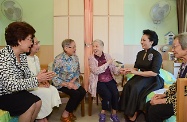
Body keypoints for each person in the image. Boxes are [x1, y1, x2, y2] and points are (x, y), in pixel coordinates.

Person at [0, 22, 54, 122]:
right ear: (20, 41)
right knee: (29, 104)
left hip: (15, 93)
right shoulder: (4, 57)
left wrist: (40, 77)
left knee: (38, 102)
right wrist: (37, 79)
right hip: (3, 95)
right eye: (30, 39)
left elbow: (28, 76)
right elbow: (10, 85)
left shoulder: (22, 55)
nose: (32, 43)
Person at [119, 29, 164, 121]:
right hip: (141, 76)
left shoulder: (157, 55)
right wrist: (127, 70)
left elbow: (154, 72)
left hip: (151, 78)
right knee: (128, 85)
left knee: (135, 87)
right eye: (141, 40)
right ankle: (126, 109)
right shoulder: (140, 53)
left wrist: (136, 72)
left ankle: (133, 112)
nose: (141, 42)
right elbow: (136, 68)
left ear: (151, 42)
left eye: (144, 40)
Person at [146, 32, 187, 122]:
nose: (172, 50)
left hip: (183, 103)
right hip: (178, 98)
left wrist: (162, 101)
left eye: (175, 46)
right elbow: (177, 85)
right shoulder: (184, 64)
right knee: (149, 104)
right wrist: (164, 95)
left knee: (154, 111)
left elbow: (185, 95)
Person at [27, 37, 61, 122]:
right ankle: (40, 117)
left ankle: (44, 115)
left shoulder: (36, 58)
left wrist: (45, 81)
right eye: (36, 43)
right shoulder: (24, 59)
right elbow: (28, 78)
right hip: (29, 86)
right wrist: (39, 84)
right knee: (45, 92)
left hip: (37, 83)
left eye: (38, 42)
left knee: (52, 89)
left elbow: (39, 73)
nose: (39, 45)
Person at [52, 39, 86, 122]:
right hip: (61, 83)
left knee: (83, 92)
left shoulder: (75, 57)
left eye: (75, 47)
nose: (75, 49)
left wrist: (72, 82)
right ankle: (65, 114)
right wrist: (67, 84)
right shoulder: (59, 59)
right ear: (66, 48)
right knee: (76, 94)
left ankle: (70, 110)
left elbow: (77, 72)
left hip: (72, 82)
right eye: (73, 47)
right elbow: (54, 77)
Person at [88, 39, 121, 122]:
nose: (94, 48)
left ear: (102, 47)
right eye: (93, 46)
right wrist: (107, 63)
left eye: (96, 46)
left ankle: (114, 114)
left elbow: (113, 68)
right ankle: (103, 113)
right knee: (107, 95)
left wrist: (120, 70)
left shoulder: (107, 56)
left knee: (115, 94)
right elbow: (96, 71)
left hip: (109, 79)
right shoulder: (91, 58)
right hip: (99, 81)